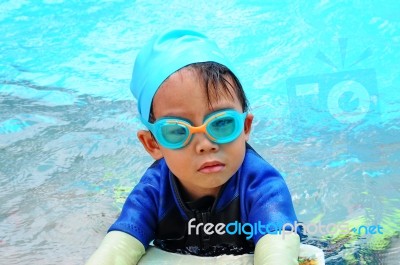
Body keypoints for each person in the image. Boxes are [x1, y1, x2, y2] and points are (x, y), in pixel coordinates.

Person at [86, 29, 300, 265]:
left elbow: (279, 246)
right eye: (178, 131)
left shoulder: (261, 185)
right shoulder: (153, 190)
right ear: (153, 144)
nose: (206, 145)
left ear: (245, 127)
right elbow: (118, 247)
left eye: (222, 123)